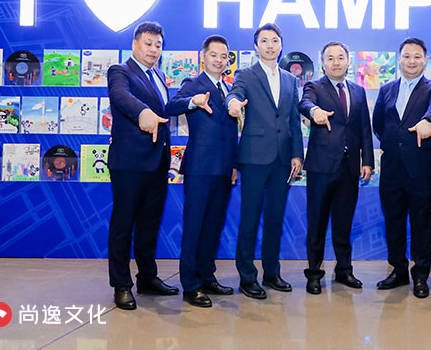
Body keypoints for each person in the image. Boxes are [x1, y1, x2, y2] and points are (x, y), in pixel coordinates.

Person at [226, 23, 303, 299]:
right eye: (264, 41)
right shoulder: (246, 74)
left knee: (275, 218)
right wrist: (232, 103)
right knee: (249, 219)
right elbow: (235, 94)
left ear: (281, 45)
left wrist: (297, 154)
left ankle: (272, 273)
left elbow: (294, 120)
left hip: (283, 159)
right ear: (256, 46)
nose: (270, 45)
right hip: (254, 158)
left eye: (274, 40)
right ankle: (247, 277)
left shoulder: (291, 80)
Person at [107, 21, 178, 310]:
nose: (153, 49)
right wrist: (143, 112)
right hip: (129, 163)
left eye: (158, 45)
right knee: (123, 224)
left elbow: (166, 110)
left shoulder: (158, 74)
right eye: (148, 43)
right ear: (135, 44)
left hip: (157, 162)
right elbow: (121, 97)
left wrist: (191, 102)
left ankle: (147, 278)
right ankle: (121, 284)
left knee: (150, 223)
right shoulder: (120, 71)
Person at [165, 35, 238, 308]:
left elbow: (231, 131)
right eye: (214, 55)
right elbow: (171, 106)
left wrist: (234, 165)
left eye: (224, 56)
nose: (219, 60)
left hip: (224, 169)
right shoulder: (193, 84)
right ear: (203, 57)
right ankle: (190, 285)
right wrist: (193, 101)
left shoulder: (229, 89)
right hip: (200, 167)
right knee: (194, 226)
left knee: (213, 226)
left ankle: (207, 276)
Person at [372, 37, 431, 298]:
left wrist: (428, 121)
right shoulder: (387, 89)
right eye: (406, 56)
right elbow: (378, 123)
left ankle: (421, 274)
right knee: (393, 221)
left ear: (425, 60)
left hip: (419, 168)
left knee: (421, 223)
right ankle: (399, 270)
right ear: (399, 59)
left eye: (417, 56)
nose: (411, 61)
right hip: (391, 167)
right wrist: (393, 143)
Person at [299, 41, 374, 295]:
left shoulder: (358, 91)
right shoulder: (314, 87)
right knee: (317, 223)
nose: (336, 62)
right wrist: (314, 110)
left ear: (348, 61)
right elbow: (304, 103)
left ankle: (344, 270)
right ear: (323, 63)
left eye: (340, 57)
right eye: (330, 58)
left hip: (349, 168)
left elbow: (364, 128)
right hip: (321, 167)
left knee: (344, 222)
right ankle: (314, 274)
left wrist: (367, 160)